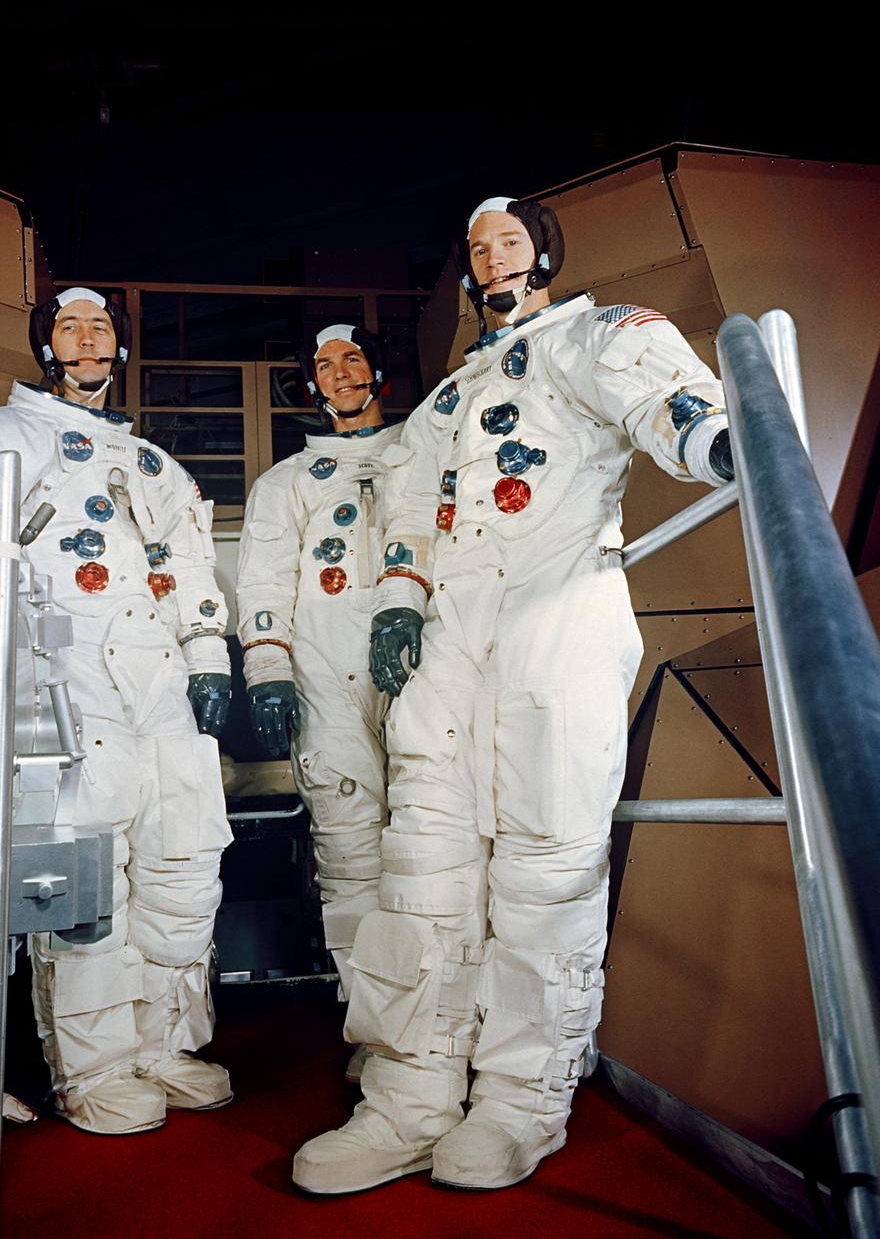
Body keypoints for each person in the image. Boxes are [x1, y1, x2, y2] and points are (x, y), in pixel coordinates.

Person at [293, 198, 733, 1192]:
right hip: (454, 637)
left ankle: (520, 1103)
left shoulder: (593, 334)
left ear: (543, 253)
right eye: (478, 246)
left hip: (558, 619)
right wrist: (400, 602)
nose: (494, 256)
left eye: (509, 240)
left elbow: (668, 399)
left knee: (543, 872)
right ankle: (409, 1098)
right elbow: (407, 505)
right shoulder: (450, 398)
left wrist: (715, 443)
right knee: (423, 867)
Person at [0, 287, 234, 1135]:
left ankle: (165, 1044)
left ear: (120, 347)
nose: (87, 339)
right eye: (69, 326)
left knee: (180, 865)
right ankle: (93, 1069)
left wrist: (209, 657)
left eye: (101, 327)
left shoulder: (152, 464)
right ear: (45, 345)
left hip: (158, 686)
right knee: (85, 881)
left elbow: (188, 568)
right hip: (60, 682)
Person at [236, 326, 422, 1077]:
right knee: (349, 855)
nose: (340, 373)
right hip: (325, 679)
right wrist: (267, 670)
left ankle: (437, 1028)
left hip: (421, 667)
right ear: (309, 385)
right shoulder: (288, 483)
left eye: (351, 359)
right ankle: (376, 1030)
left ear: (377, 369)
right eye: (323, 365)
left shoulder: (427, 447)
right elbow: (262, 582)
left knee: (433, 848)